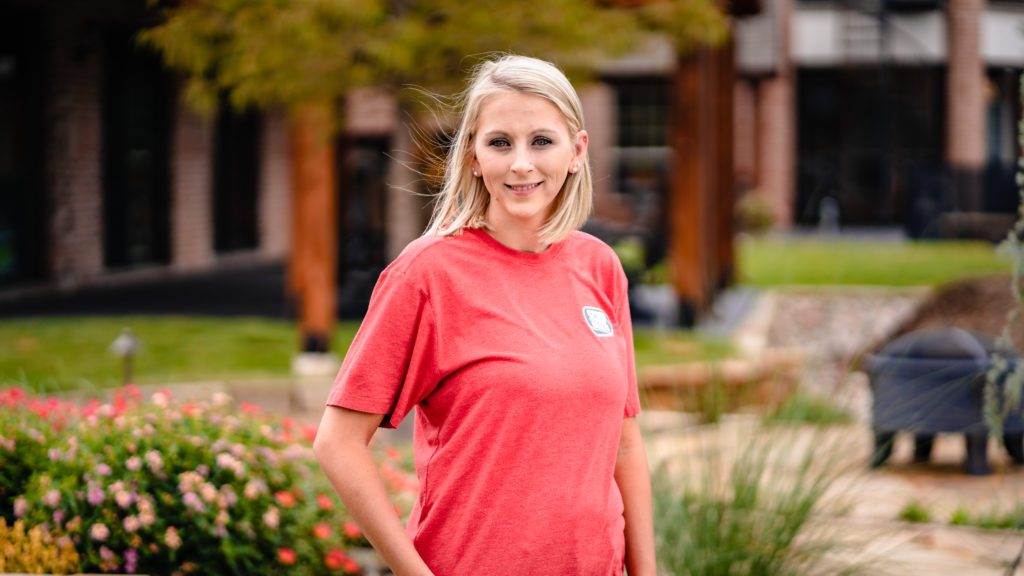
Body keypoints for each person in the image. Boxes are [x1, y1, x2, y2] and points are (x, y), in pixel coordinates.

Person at [313, 54, 656, 576]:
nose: (521, 163)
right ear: (472, 155)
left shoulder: (599, 267)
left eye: (542, 141)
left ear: (577, 151)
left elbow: (624, 446)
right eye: (500, 142)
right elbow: (338, 444)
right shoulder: (428, 273)